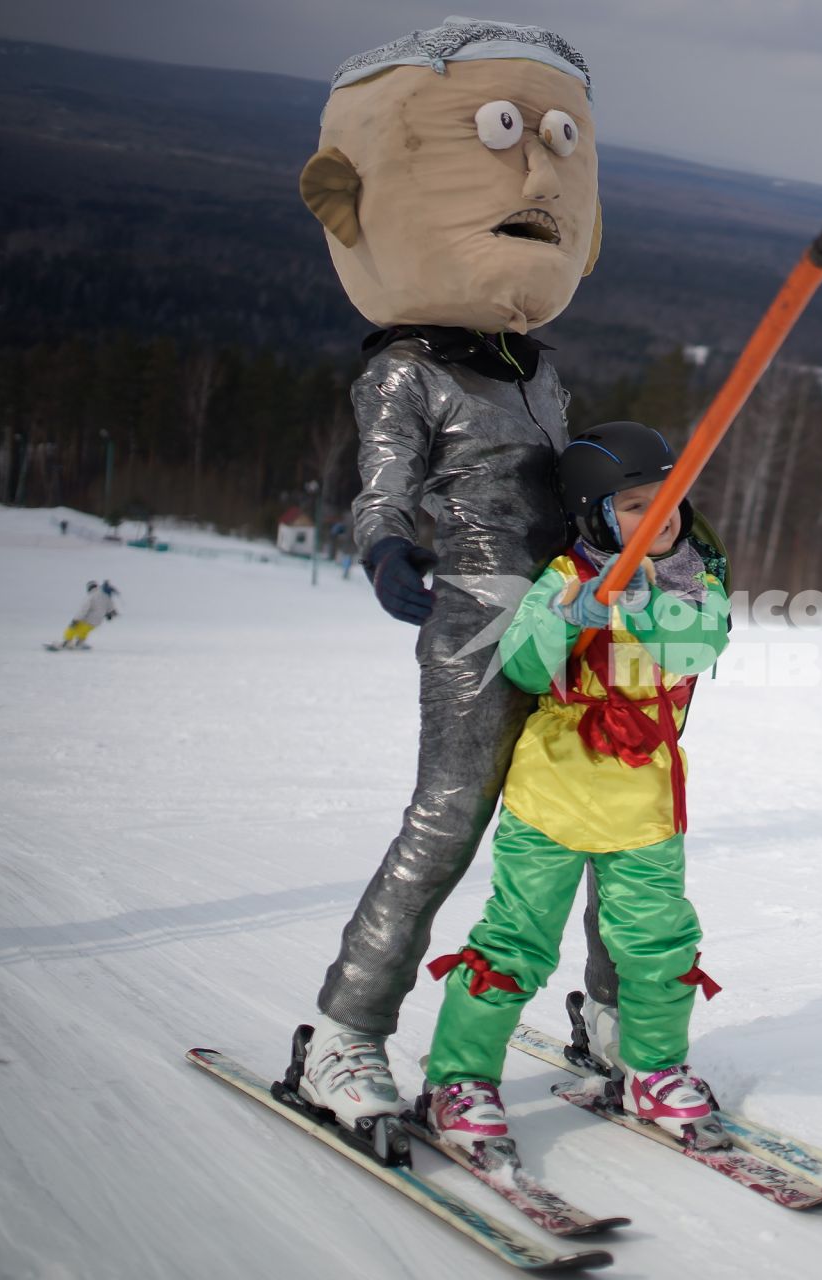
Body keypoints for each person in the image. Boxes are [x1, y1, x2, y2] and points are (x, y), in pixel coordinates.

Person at [287, 19, 621, 1134]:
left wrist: (616, 519)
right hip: (477, 618)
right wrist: (386, 547)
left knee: (605, 811)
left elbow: (560, 486)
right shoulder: (404, 371)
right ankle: (345, 1030)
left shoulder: (542, 370)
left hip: (572, 614)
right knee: (449, 820)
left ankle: (619, 1021)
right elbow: (383, 488)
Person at [421, 421, 731, 1154]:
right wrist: (572, 617)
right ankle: (460, 1079)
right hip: (551, 799)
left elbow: (696, 645)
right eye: (635, 505)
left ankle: (652, 1069)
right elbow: (527, 668)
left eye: (669, 500)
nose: (661, 516)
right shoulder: (563, 578)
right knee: (516, 941)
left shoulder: (696, 581)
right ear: (594, 512)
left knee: (658, 945)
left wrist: (636, 604)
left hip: (646, 808)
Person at [59, 579, 119, 649]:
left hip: (87, 620)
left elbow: (83, 609)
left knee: (72, 629)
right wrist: (110, 613)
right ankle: (80, 643)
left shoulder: (91, 596)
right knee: (84, 631)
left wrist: (76, 619)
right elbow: (110, 606)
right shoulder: (105, 596)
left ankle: (67, 642)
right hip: (96, 622)